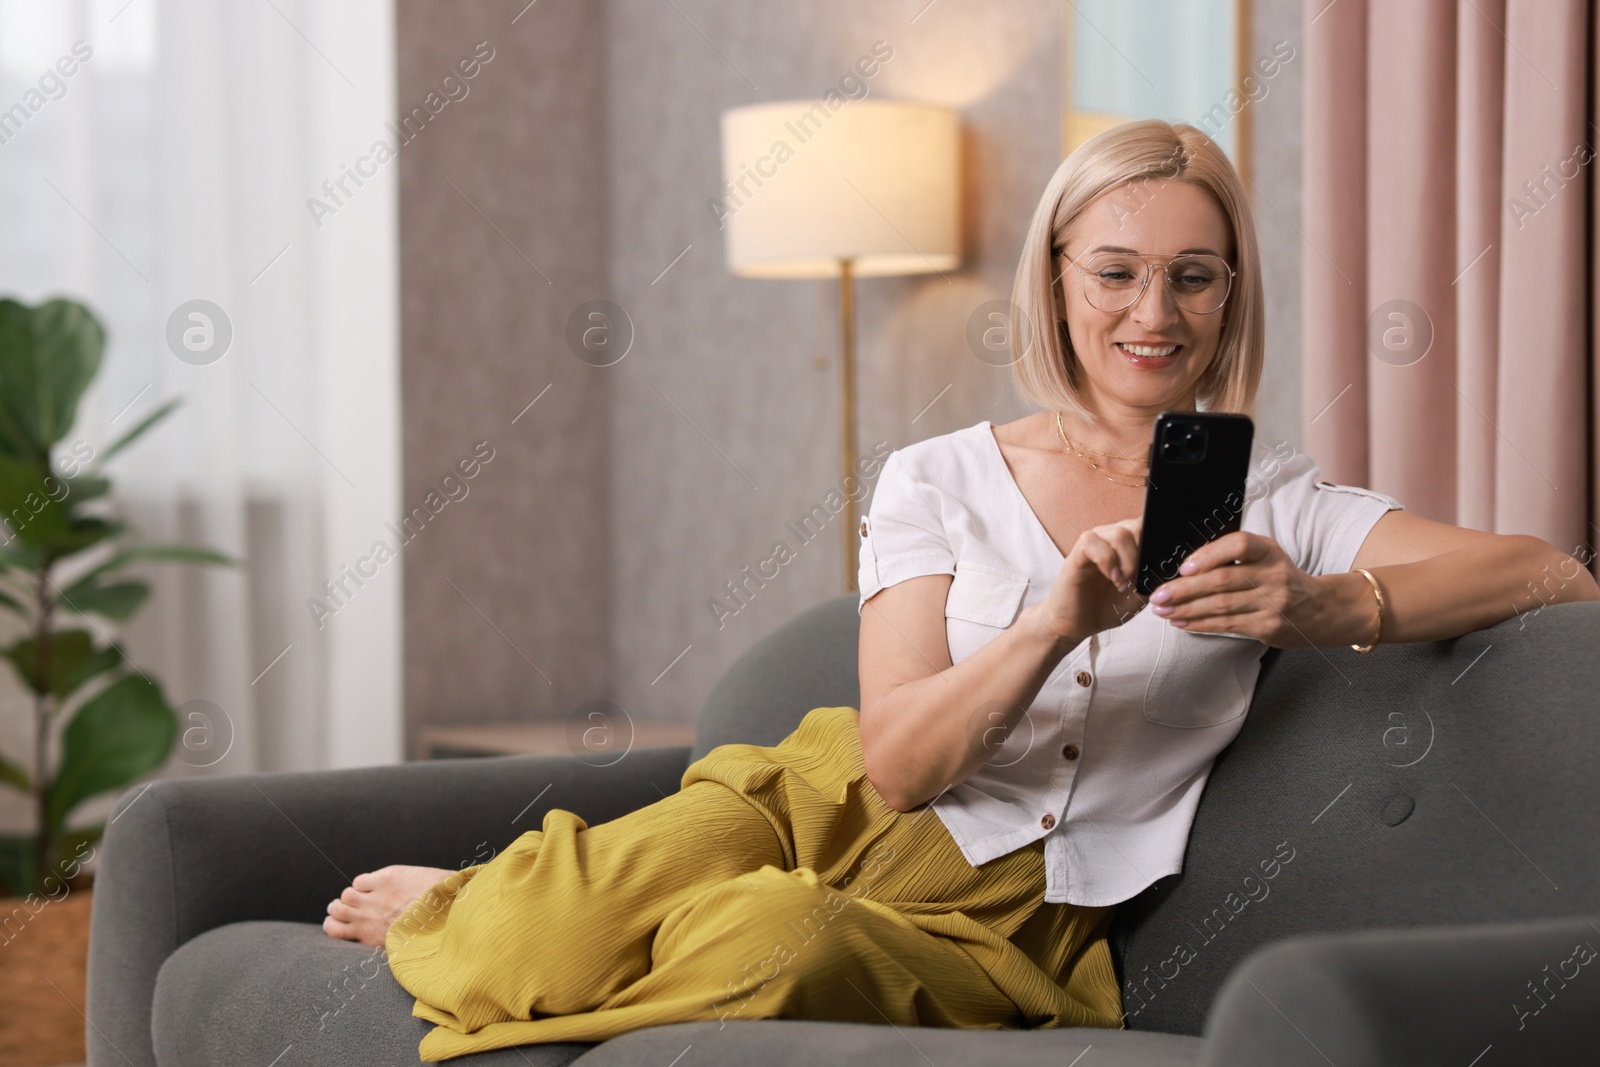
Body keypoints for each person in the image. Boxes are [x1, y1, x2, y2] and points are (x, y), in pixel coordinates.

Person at [321, 119, 1599, 1061]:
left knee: (779, 937)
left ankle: (592, 919)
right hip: (813, 800)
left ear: (1229, 294)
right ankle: (478, 911)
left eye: (1192, 274)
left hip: (1019, 908)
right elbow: (895, 764)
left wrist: (1327, 608)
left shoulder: (1277, 500)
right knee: (522, 946)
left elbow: (1554, 570)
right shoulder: (937, 477)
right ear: (1054, 279)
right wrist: (1049, 624)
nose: (1153, 310)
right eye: (1114, 269)